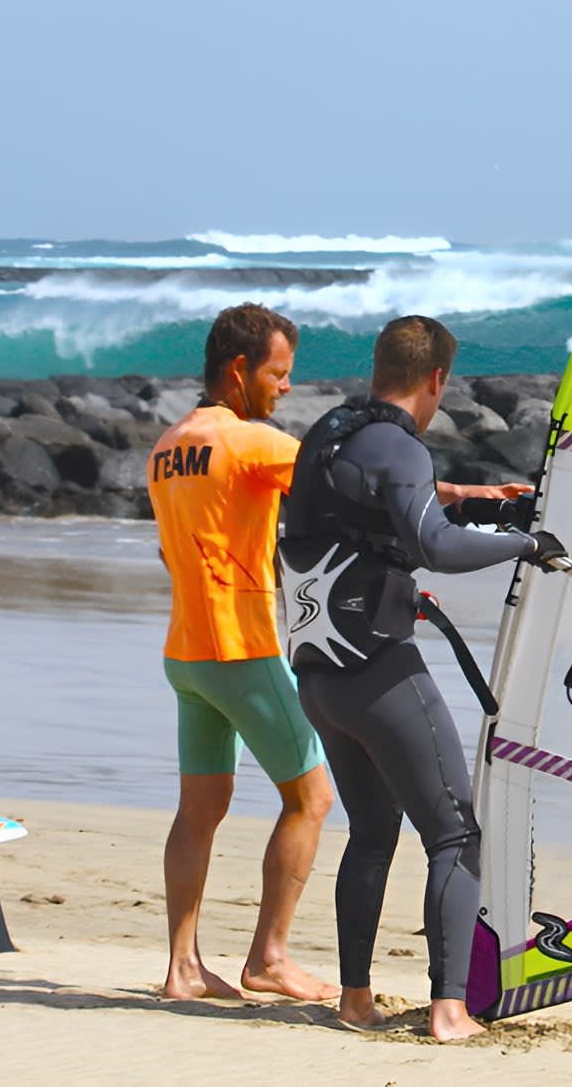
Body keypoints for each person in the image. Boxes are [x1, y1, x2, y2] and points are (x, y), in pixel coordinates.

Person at [279, 314, 562, 1041]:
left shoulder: (331, 431)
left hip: (318, 675)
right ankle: (448, 1008)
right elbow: (430, 544)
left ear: (380, 368)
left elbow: (378, 501)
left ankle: (355, 998)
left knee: (372, 830)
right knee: (455, 830)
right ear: (438, 379)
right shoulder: (400, 445)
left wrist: (472, 497)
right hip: (377, 669)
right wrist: (523, 540)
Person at [148, 303, 337, 1004]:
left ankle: (182, 967)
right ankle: (270, 957)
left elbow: (173, 556)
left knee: (199, 808)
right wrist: (464, 496)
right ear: (239, 370)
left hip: (186, 653)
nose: (285, 388)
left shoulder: (167, 447)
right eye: (279, 373)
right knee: (311, 797)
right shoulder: (248, 442)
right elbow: (359, 481)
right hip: (243, 646)